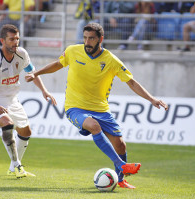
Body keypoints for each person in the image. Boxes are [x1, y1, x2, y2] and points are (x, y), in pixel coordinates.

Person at [25, 23, 168, 188]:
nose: (87, 42)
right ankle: (121, 165)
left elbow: (131, 82)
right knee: (93, 126)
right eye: (85, 38)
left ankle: (121, 180)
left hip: (101, 109)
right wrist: (36, 72)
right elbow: (58, 64)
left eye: (91, 38)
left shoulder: (111, 60)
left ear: (101, 39)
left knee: (120, 144)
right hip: (75, 107)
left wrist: (152, 99)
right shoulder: (73, 51)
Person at [0, 24, 57, 178]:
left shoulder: (22, 54)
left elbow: (31, 72)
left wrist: (44, 91)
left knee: (26, 132)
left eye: (17, 39)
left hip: (12, 99)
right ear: (2, 40)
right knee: (7, 124)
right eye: (12, 39)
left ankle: (13, 168)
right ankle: (17, 165)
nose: (15, 42)